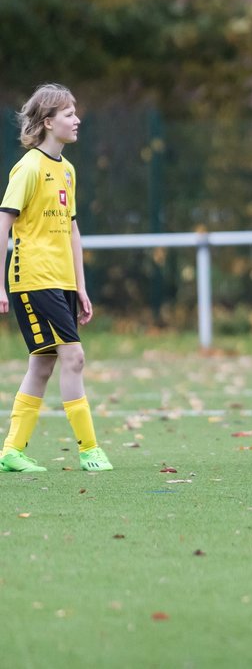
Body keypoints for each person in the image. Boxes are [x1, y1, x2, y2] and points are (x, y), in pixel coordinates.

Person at [0, 84, 112, 473]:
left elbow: (73, 231)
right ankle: (89, 450)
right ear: (48, 122)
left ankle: (12, 451)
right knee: (73, 356)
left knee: (43, 362)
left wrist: (80, 286)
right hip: (33, 278)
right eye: (68, 113)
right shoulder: (29, 167)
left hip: (61, 281)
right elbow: (3, 223)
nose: (77, 119)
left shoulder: (67, 170)